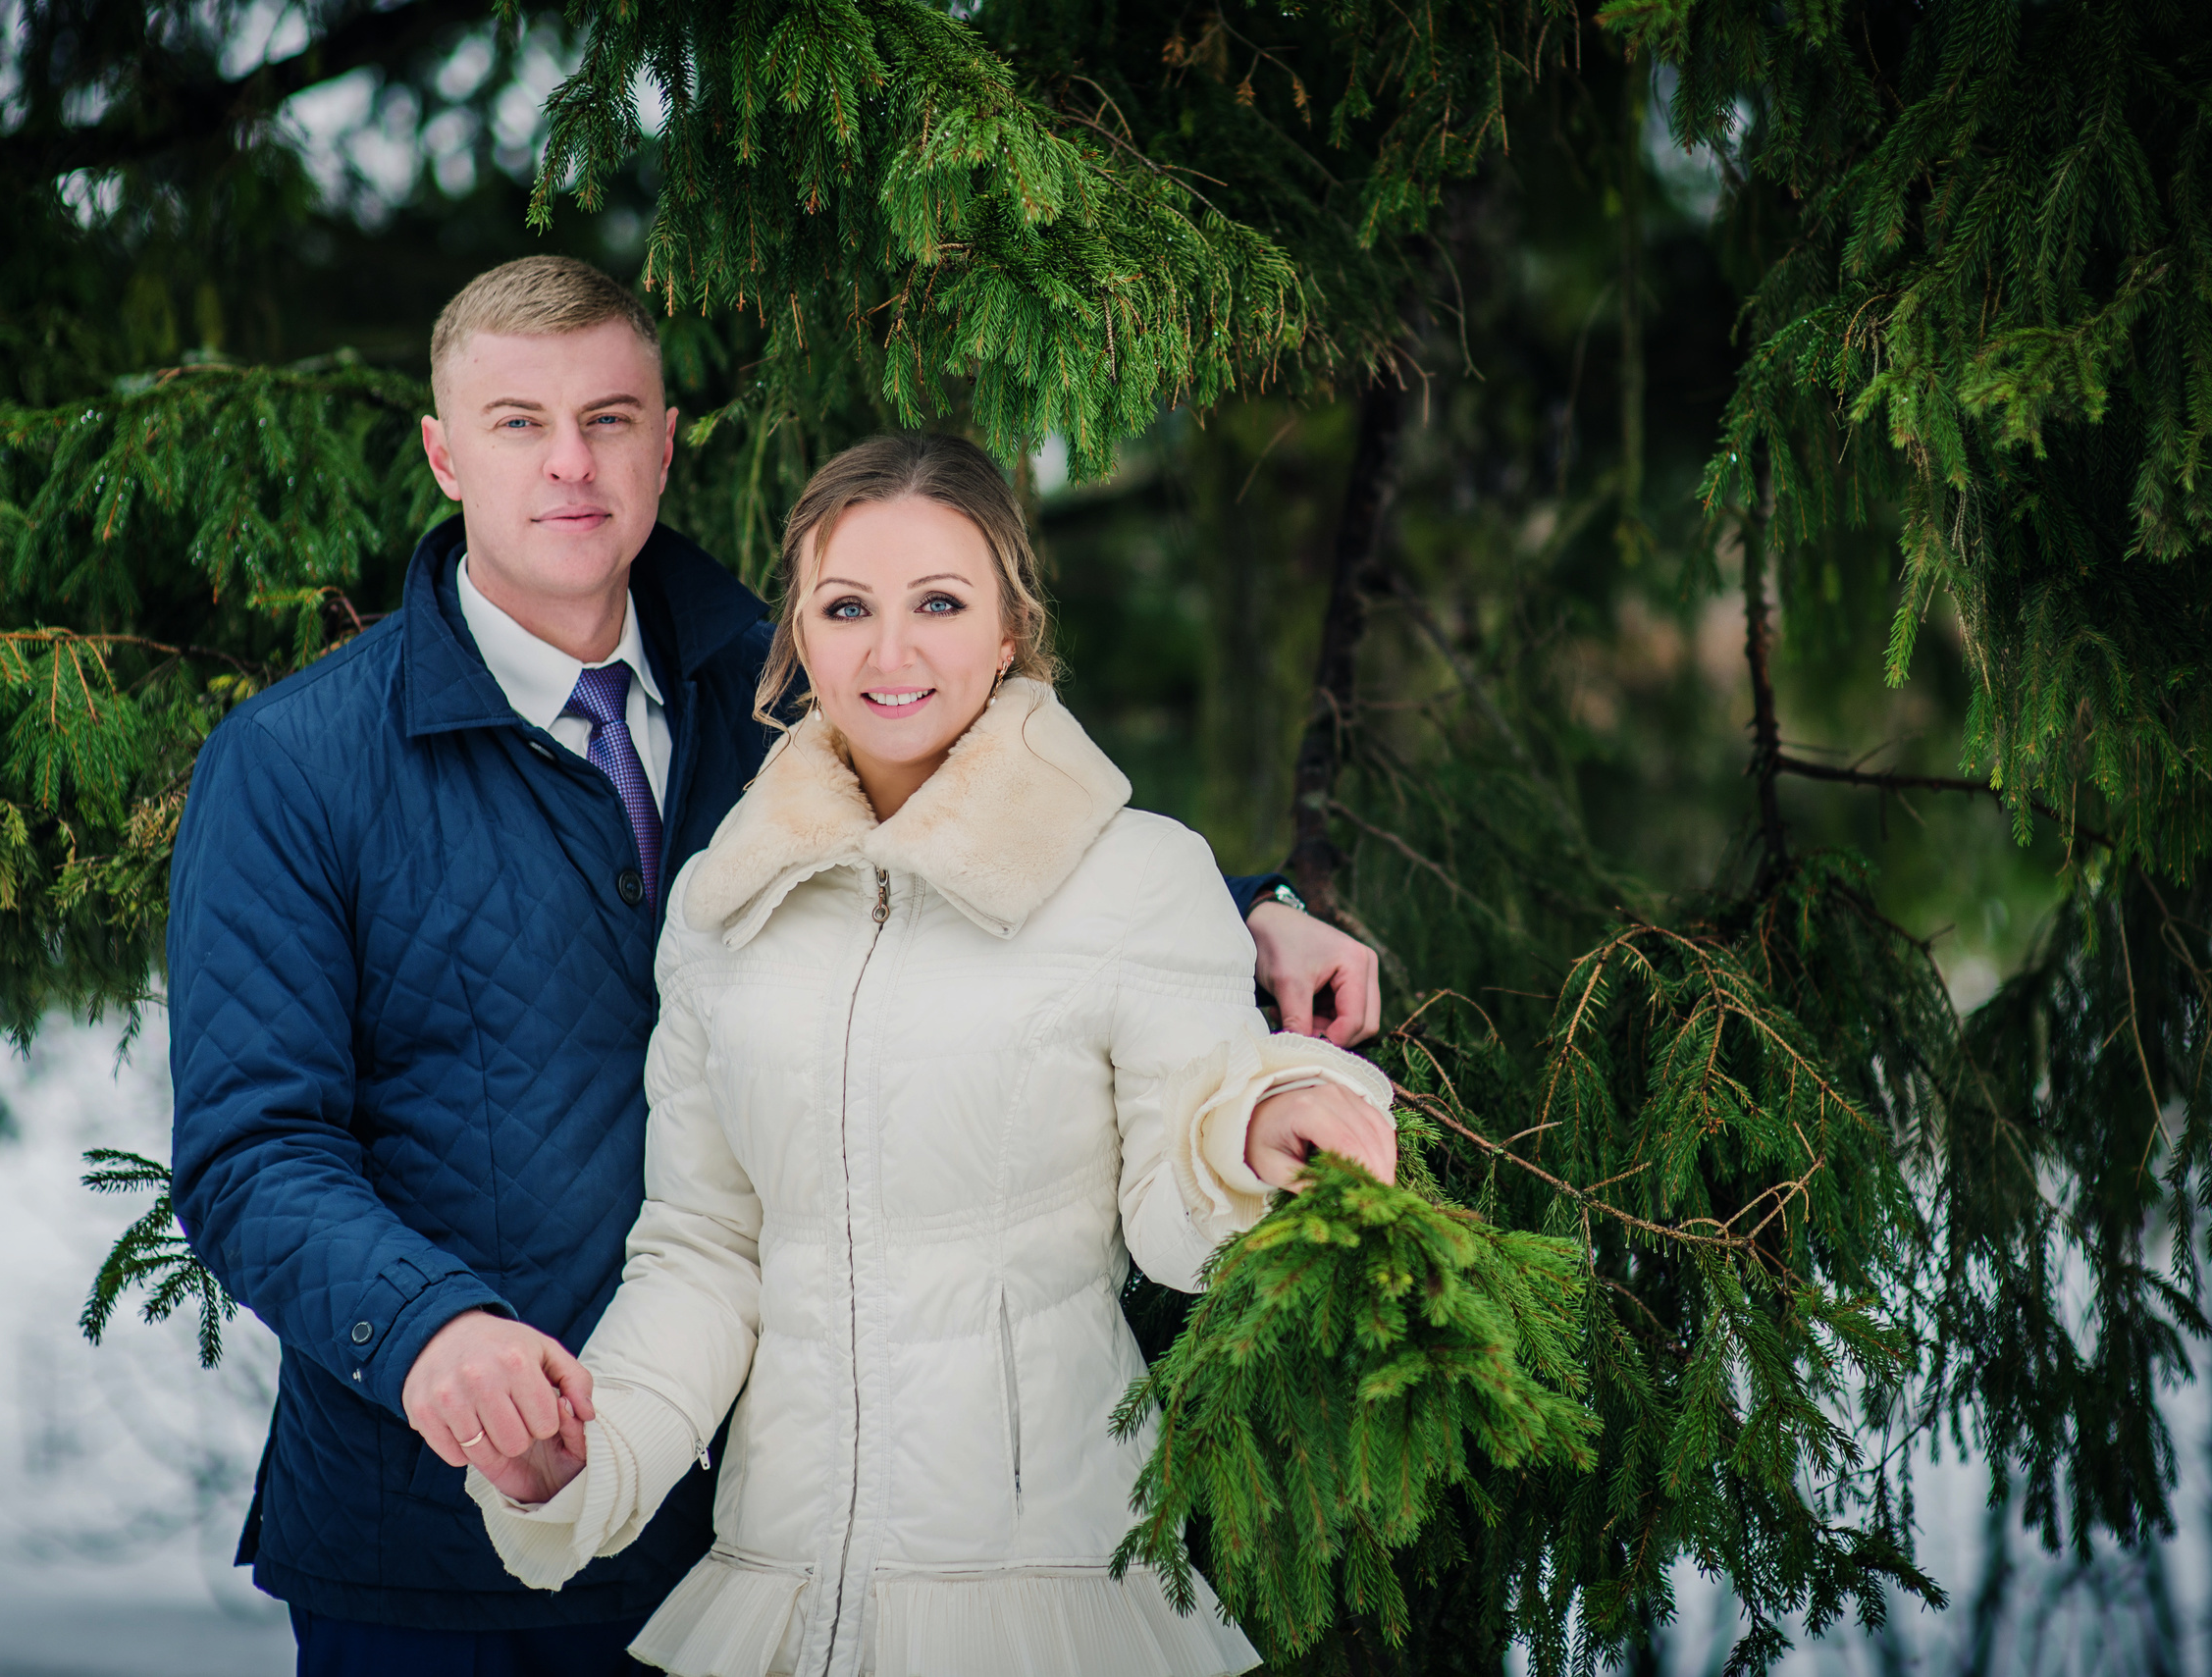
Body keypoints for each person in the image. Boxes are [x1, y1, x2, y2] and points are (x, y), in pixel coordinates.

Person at [166, 255, 1387, 1676]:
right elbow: (255, 1148)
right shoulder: (296, 763)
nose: (570, 462)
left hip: (745, 1539)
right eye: (516, 423)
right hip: (435, 1536)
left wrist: (1245, 907)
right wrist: (433, 1333)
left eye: (611, 417)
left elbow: (986, 836)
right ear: (444, 452)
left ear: (668, 442)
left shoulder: (765, 686)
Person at [462, 433, 1398, 1677]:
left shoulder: (1135, 875)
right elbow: (706, 1251)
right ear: (797, 633)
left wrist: (1264, 1118)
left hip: (1036, 1593)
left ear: (1010, 627)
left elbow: (1180, 1203)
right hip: (785, 1589)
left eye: (940, 604)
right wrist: (595, 1450)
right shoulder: (726, 901)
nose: (889, 653)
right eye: (845, 608)